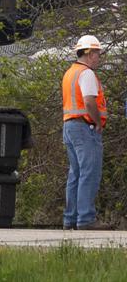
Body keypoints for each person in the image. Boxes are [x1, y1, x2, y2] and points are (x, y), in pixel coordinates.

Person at [62, 35, 111, 230]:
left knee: (75, 174)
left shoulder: (70, 73)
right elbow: (89, 102)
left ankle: (71, 219)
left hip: (70, 126)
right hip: (85, 127)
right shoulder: (87, 73)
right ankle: (86, 219)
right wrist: (98, 122)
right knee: (89, 173)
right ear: (90, 53)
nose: (99, 57)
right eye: (97, 53)